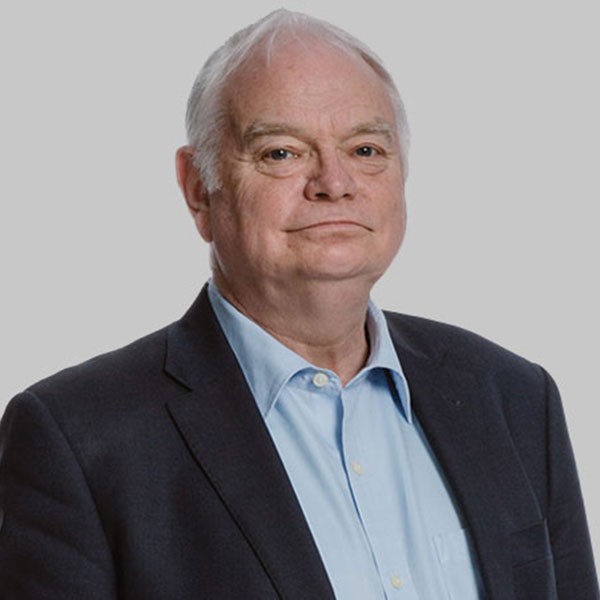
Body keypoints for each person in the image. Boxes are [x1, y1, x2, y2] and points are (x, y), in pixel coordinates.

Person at [0, 9, 597, 599]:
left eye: (366, 149)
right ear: (198, 188)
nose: (334, 182)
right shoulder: (78, 443)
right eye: (281, 152)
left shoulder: (514, 399)